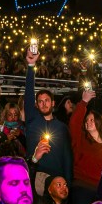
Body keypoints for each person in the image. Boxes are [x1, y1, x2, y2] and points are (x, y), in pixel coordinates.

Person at [24, 47, 72, 195]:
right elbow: (29, 94)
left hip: (58, 180)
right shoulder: (33, 121)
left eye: (47, 101)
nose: (43, 103)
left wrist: (68, 183)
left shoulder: (62, 127)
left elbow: (67, 157)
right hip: (36, 178)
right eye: (40, 101)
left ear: (53, 103)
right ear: (37, 105)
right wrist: (31, 66)